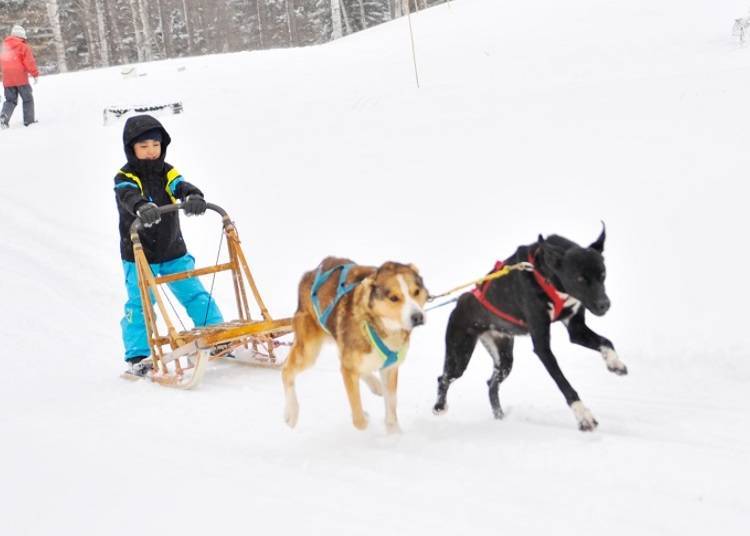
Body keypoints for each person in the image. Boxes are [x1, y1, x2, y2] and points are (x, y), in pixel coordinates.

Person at [114, 114, 223, 376]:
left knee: (193, 291)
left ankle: (217, 334)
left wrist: (193, 195)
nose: (151, 152)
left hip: (172, 248)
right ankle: (138, 354)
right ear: (132, 149)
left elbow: (180, 185)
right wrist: (142, 207)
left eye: (155, 145)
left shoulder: (167, 171)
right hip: (139, 252)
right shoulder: (124, 176)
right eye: (144, 147)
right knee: (141, 302)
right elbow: (129, 195)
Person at [0, 25, 38, 129]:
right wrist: (35, 74)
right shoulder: (23, 46)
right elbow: (29, 62)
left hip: (8, 79)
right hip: (21, 78)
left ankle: (4, 117)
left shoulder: (4, 46)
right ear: (22, 36)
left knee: (10, 100)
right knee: (27, 99)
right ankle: (29, 121)